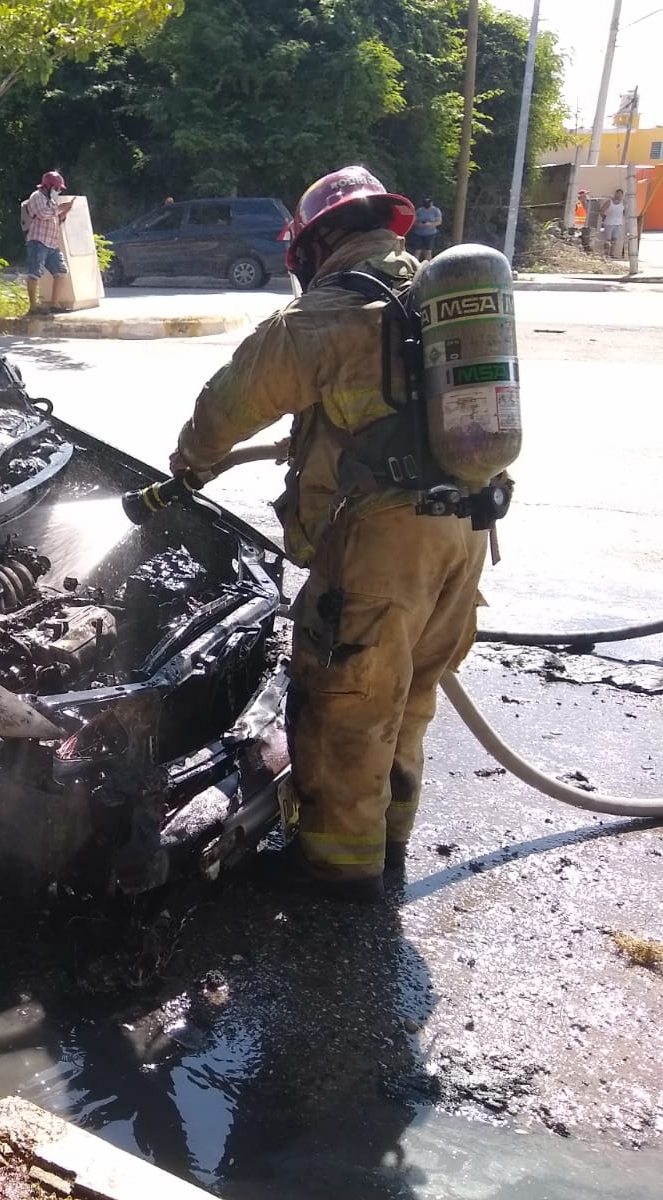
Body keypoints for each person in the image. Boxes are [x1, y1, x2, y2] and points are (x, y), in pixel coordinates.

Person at [167, 165, 489, 903]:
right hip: (466, 531)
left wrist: (190, 463)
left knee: (347, 703)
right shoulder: (429, 296)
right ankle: (389, 839)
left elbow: (230, 403)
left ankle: (338, 870)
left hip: (383, 541)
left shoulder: (329, 312)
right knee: (408, 698)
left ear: (315, 244)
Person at [20, 171, 74, 315]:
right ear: (49, 186)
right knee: (34, 273)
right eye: (57, 188)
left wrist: (64, 213)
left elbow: (56, 220)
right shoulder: (36, 196)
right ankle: (33, 307)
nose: (58, 191)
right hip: (38, 241)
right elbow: (43, 214)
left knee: (61, 271)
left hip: (51, 243)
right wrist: (61, 208)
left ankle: (54, 304)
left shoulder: (51, 201)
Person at [408, 196, 442, 261]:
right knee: (417, 250)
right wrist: (419, 224)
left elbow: (439, 222)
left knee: (428, 251)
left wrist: (430, 224)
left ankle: (428, 266)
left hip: (430, 233)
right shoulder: (419, 210)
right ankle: (415, 266)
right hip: (419, 233)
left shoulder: (436, 211)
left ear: (432, 203)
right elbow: (414, 221)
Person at [602, 187, 626, 258]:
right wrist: (604, 217)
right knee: (608, 240)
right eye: (617, 193)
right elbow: (602, 210)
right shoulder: (610, 202)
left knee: (614, 239)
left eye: (620, 194)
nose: (618, 195)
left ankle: (611, 254)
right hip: (609, 223)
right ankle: (606, 254)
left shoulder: (623, 203)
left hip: (618, 224)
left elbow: (624, 212)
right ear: (615, 194)